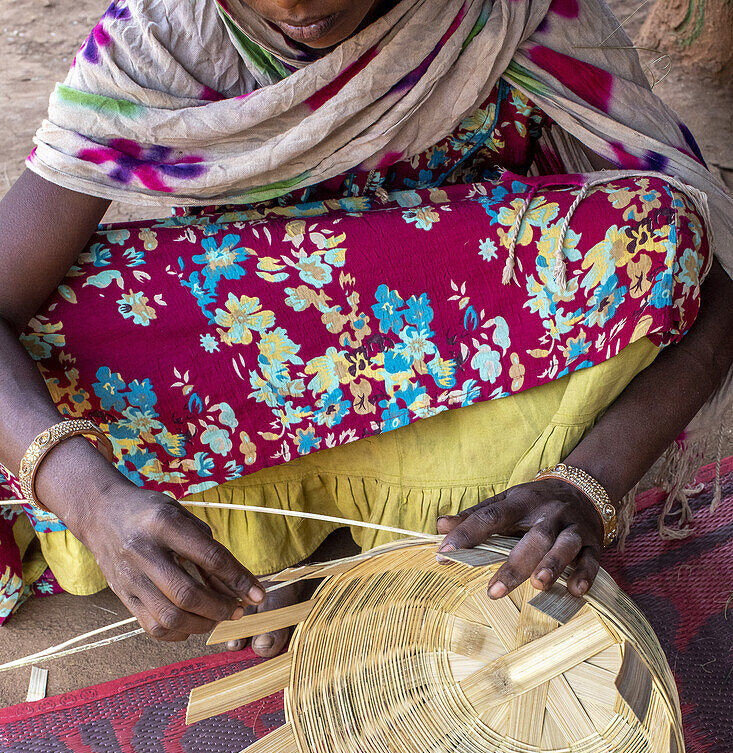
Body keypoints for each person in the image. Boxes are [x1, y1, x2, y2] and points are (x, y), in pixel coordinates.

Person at [0, 0, 731, 658]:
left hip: (469, 351)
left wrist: (589, 484)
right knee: (61, 320)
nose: (292, 3)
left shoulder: (504, 17)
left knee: (653, 237)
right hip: (268, 373)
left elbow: (720, 293)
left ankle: (432, 533)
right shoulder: (161, 44)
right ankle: (276, 536)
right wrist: (85, 494)